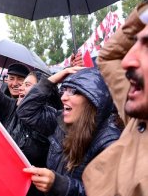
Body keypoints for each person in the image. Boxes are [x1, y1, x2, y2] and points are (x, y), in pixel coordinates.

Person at [0, 37, 62, 196]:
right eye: (21, 83)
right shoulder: (10, 107)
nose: (19, 87)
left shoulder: (51, 120)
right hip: (4, 186)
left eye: (27, 84)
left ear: (40, 93)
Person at [82, 0, 148, 195]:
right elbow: (109, 57)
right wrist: (145, 12)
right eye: (135, 43)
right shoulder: (139, 118)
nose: (127, 61)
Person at [23, 67, 121, 195]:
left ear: (93, 98)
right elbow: (26, 110)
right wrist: (54, 79)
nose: (63, 97)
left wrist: (59, 184)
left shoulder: (110, 143)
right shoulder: (60, 121)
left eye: (73, 91)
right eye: (64, 90)